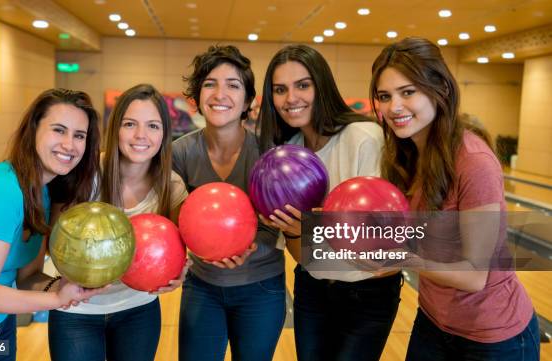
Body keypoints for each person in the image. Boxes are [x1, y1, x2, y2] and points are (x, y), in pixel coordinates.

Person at [370, 37, 539, 360]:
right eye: (384, 96)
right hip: (434, 322)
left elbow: (475, 276)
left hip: (492, 338)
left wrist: (403, 258)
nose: (394, 107)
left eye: (408, 92)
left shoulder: (474, 162)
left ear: (441, 90)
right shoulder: (403, 156)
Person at [257, 44, 402, 361]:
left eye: (303, 85)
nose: (291, 98)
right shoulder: (289, 154)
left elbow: (386, 245)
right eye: (280, 90)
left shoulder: (363, 137)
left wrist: (320, 230)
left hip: (367, 294)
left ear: (322, 85)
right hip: (313, 289)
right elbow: (305, 258)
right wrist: (297, 232)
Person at [0, 89, 105, 361]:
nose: (69, 144)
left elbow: (28, 278)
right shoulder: (0, 192)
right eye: (58, 130)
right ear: (33, 131)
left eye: (79, 135)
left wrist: (65, 286)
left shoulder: (42, 192)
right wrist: (57, 299)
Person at [47, 84, 189, 361]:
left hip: (138, 311)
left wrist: (180, 271)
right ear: (115, 129)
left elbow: (181, 247)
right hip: (76, 310)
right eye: (129, 124)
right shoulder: (83, 176)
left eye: (152, 126)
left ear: (164, 133)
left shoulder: (171, 186)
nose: (141, 136)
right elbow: (54, 242)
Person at [173, 45, 286, 361]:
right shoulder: (180, 153)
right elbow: (173, 220)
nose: (220, 93)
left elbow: (281, 224)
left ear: (248, 101)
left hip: (261, 288)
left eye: (233, 85)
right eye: (210, 83)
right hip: (202, 286)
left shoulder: (269, 154)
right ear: (196, 97)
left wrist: (249, 248)